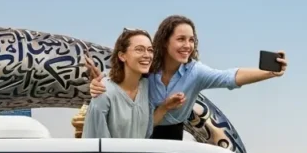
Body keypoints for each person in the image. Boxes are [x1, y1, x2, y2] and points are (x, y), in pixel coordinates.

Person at [89, 15, 288, 140]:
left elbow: (229, 77)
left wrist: (269, 73)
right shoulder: (147, 67)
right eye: (181, 39)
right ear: (165, 42)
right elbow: (122, 75)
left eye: (191, 40)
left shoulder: (195, 72)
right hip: (138, 134)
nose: (188, 45)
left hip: (172, 135)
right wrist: (98, 84)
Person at [82, 28, 155, 139]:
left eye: (150, 50)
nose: (147, 55)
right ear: (122, 56)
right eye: (139, 50)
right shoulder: (103, 92)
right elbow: (94, 145)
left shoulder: (147, 88)